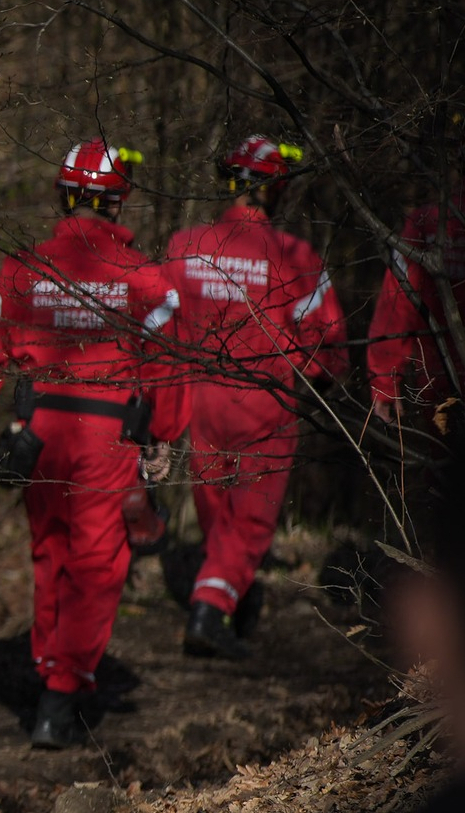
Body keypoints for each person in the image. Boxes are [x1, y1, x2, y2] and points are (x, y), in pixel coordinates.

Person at [134, 428, 462, 813]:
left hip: (207, 402)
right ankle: (215, 601)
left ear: (424, 622)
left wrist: (163, 426)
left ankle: (209, 603)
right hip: (254, 400)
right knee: (251, 512)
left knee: (226, 506)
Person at [0, 139, 189, 749]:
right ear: (116, 203)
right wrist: (162, 434)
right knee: (98, 563)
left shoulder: (23, 268)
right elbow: (171, 362)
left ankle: (50, 668)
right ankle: (64, 688)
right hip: (106, 434)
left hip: (40, 430)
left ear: (64, 195)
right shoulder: (144, 278)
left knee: (50, 550)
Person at [163, 135, 346, 659]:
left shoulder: (184, 245)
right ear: (275, 189)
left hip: (201, 397)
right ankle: (208, 607)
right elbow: (326, 336)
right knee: (250, 518)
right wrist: (322, 375)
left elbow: (158, 322)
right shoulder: (294, 255)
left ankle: (225, 601)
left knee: (217, 511)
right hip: (263, 401)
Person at [368, 165, 463, 425]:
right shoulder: (426, 224)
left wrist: (384, 382)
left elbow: (396, 305)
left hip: (440, 384)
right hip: (440, 383)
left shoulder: (427, 223)